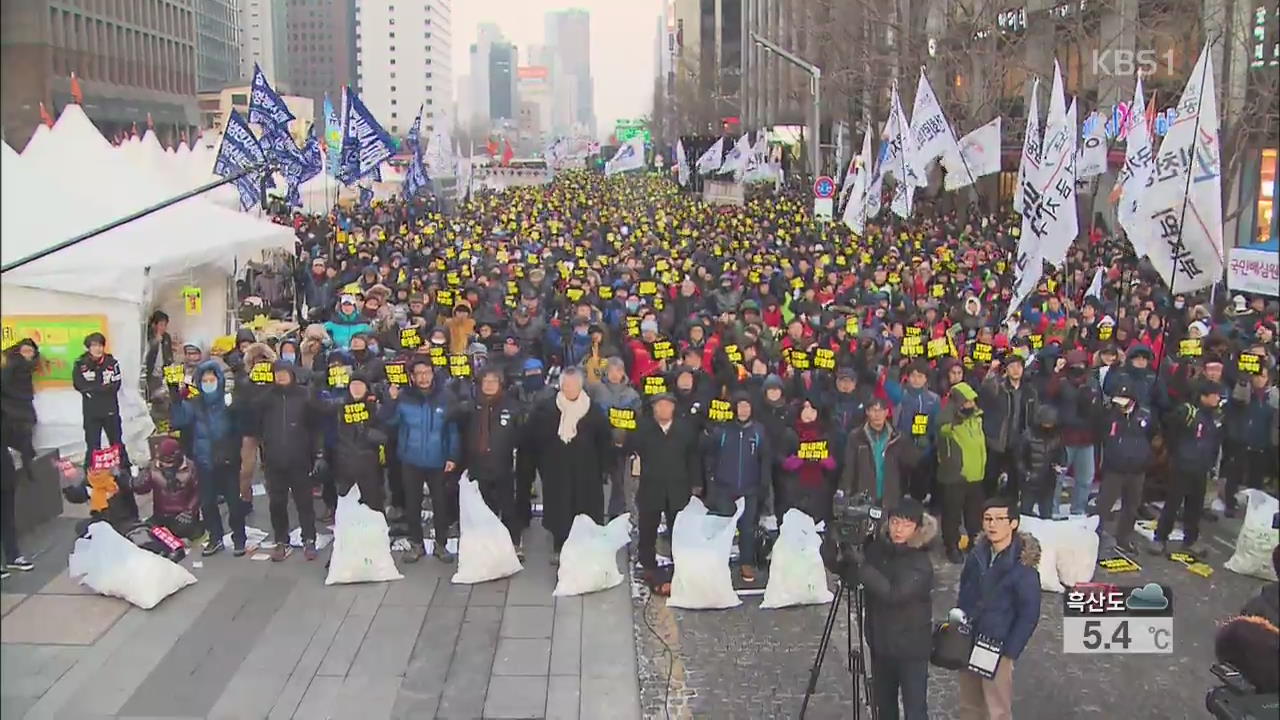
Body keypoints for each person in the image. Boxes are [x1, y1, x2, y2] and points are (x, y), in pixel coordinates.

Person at [845, 498, 936, 720]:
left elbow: (894, 594)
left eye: (906, 524)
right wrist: (839, 546)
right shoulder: (878, 550)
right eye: (895, 522)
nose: (898, 529)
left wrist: (862, 566)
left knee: (914, 711)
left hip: (911, 649)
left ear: (917, 528)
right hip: (881, 644)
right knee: (884, 709)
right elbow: (849, 572)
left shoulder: (920, 562)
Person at [955, 497, 1042, 720]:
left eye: (999, 519)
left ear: (1013, 523)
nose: (992, 524)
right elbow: (964, 592)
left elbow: (1028, 615)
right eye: (987, 519)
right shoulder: (976, 555)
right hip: (969, 640)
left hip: (997, 647)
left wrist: (1009, 654)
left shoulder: (1023, 567)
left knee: (997, 711)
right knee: (969, 706)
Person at [521, 367, 612, 564]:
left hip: (586, 470)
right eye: (566, 385)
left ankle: (586, 544)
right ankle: (560, 545)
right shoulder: (546, 409)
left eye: (573, 385)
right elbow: (532, 440)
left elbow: (604, 440)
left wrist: (604, 468)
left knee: (586, 507)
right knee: (559, 508)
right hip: (556, 469)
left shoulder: (593, 410)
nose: (570, 389)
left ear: (580, 386)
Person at [382, 358, 460, 563]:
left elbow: (453, 430)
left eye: (427, 372)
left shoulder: (446, 397)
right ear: (412, 377)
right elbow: (389, 423)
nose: (424, 377)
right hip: (411, 459)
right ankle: (416, 543)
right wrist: (390, 401)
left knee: (441, 504)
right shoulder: (404, 397)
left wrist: (452, 455)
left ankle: (441, 545)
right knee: (412, 504)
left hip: (438, 459)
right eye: (419, 373)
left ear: (433, 373)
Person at [169, 361, 248, 556]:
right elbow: (179, 421)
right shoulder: (195, 405)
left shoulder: (227, 402)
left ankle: (239, 538)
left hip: (228, 460)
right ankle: (215, 538)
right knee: (207, 503)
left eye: (212, 380)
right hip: (204, 460)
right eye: (204, 380)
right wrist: (176, 399)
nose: (208, 383)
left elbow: (242, 426)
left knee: (234, 502)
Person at [627, 392, 700, 594]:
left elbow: (692, 456)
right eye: (660, 406)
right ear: (654, 409)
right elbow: (630, 447)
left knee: (678, 530)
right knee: (647, 528)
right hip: (651, 486)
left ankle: (680, 565)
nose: (664, 409)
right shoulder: (644, 428)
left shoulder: (684, 429)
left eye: (668, 406)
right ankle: (647, 565)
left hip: (678, 487)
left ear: (673, 408)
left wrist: (696, 482)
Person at [255, 361, 327, 561]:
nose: (281, 377)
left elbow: (316, 425)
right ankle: (281, 540)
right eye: (277, 373)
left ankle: (309, 538)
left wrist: (318, 453)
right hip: (274, 459)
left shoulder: (305, 396)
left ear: (292, 374)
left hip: (300, 457)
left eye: (284, 373)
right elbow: (256, 424)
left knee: (304, 502)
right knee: (277, 503)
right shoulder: (266, 398)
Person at [703, 392, 773, 582]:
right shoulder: (723, 430)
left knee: (747, 528)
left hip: (750, 489)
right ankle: (719, 562)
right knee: (724, 526)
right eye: (740, 406)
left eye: (747, 407)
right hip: (725, 487)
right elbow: (710, 453)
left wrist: (763, 485)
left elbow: (765, 459)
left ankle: (746, 563)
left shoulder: (759, 431)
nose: (743, 411)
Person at [1150, 380, 1224, 557]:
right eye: (1214, 395)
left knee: (1195, 506)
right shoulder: (1187, 412)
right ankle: (1160, 538)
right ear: (1204, 396)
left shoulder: (1215, 416)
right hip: (1183, 466)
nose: (1217, 398)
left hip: (1201, 467)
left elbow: (1214, 440)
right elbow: (1171, 431)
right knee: (1172, 504)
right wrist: (1178, 454)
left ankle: (1190, 540)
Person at [73, 332, 136, 517]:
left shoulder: (111, 362)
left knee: (116, 440)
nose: (97, 349)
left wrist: (95, 389)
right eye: (94, 345)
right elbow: (79, 384)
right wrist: (95, 389)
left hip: (110, 409)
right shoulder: (81, 364)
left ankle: (125, 471)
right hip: (91, 411)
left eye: (100, 345)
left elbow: (115, 384)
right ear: (88, 347)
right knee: (92, 443)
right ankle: (90, 476)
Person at [461, 368, 523, 554]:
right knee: (484, 507)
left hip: (503, 464)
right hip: (478, 464)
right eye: (485, 381)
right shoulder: (471, 406)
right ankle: (487, 544)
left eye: (493, 381)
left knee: (508, 507)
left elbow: (521, 434)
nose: (489, 385)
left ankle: (514, 544)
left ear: (500, 384)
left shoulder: (511, 406)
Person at [1094, 384, 1156, 553]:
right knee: (1104, 505)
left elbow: (1152, 436)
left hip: (1137, 470)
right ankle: (1095, 536)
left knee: (1132, 506)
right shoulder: (1109, 416)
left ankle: (1124, 537)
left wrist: (1145, 458)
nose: (1120, 405)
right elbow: (1102, 435)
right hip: (1114, 469)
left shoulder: (1145, 416)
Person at [937, 382, 987, 563]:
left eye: (972, 401)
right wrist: (954, 412)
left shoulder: (977, 419)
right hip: (955, 476)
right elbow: (942, 429)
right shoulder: (948, 421)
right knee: (952, 515)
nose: (970, 404)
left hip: (976, 475)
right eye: (966, 401)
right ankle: (952, 545)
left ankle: (975, 543)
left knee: (974, 515)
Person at [841, 397, 918, 508]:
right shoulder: (856, 437)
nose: (877, 414)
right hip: (864, 497)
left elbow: (908, 467)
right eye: (873, 410)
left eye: (881, 410)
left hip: (891, 497)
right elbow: (849, 467)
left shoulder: (898, 438)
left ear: (887, 412)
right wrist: (846, 491)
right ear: (867, 412)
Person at [978, 355, 1035, 502]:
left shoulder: (1029, 391)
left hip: (1018, 442)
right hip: (997, 440)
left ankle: (1011, 510)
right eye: (1012, 367)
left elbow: (1033, 415)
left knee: (1015, 479)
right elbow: (983, 394)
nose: (1016, 370)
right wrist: (991, 372)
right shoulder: (998, 387)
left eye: (1019, 367)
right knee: (991, 478)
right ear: (1006, 370)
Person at [1223, 364, 1277, 517]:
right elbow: (1237, 399)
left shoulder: (1272, 398)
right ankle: (1230, 504)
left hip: (1261, 445)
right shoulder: (1245, 392)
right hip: (1241, 442)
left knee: (1256, 480)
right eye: (1257, 375)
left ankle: (1254, 509)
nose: (1259, 379)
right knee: (1234, 475)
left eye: (1263, 376)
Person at [330, 370, 388, 510]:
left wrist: (368, 432)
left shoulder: (376, 408)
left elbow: (386, 437)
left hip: (370, 470)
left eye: (360, 385)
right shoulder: (340, 409)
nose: (356, 388)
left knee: (373, 509)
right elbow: (331, 437)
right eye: (353, 385)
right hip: (345, 469)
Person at [132, 437, 202, 540]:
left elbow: (198, 492)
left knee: (185, 530)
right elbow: (142, 490)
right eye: (163, 462)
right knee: (145, 531)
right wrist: (138, 482)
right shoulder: (153, 468)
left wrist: (190, 510)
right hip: (160, 515)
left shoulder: (191, 468)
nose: (166, 465)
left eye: (169, 462)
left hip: (182, 515)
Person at [1016, 405, 1065, 520]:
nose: (1048, 426)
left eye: (1051, 424)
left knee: (1046, 515)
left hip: (1048, 480)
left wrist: (1058, 465)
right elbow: (1019, 458)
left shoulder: (1056, 436)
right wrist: (1026, 473)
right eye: (1046, 423)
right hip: (1030, 481)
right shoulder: (1028, 435)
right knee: (1025, 514)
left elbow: (1061, 455)